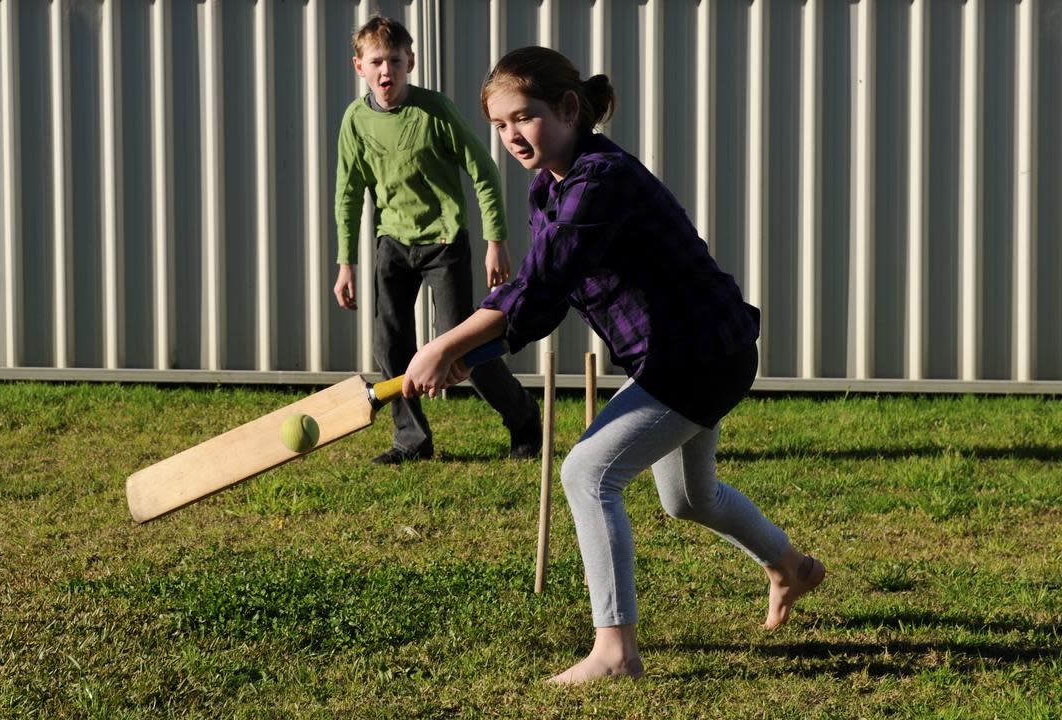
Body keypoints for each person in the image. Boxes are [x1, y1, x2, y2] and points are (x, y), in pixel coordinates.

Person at [401, 46, 826, 684]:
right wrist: (474, 350)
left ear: (570, 108)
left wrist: (443, 344)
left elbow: (536, 289)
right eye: (499, 125)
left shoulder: (600, 181)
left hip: (699, 353)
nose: (513, 136)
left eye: (525, 117)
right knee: (687, 497)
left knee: (587, 473)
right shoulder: (548, 185)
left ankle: (616, 652)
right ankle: (793, 567)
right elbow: (544, 304)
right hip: (681, 354)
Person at [333, 15, 541, 465]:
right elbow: (348, 194)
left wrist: (496, 240)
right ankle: (412, 440)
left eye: (394, 60)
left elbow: (483, 171)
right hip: (393, 243)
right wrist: (345, 261)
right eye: (376, 62)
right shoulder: (355, 121)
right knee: (390, 346)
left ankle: (524, 418)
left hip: (445, 242)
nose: (386, 71)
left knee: (462, 345)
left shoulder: (434, 111)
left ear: (410, 61)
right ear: (359, 67)